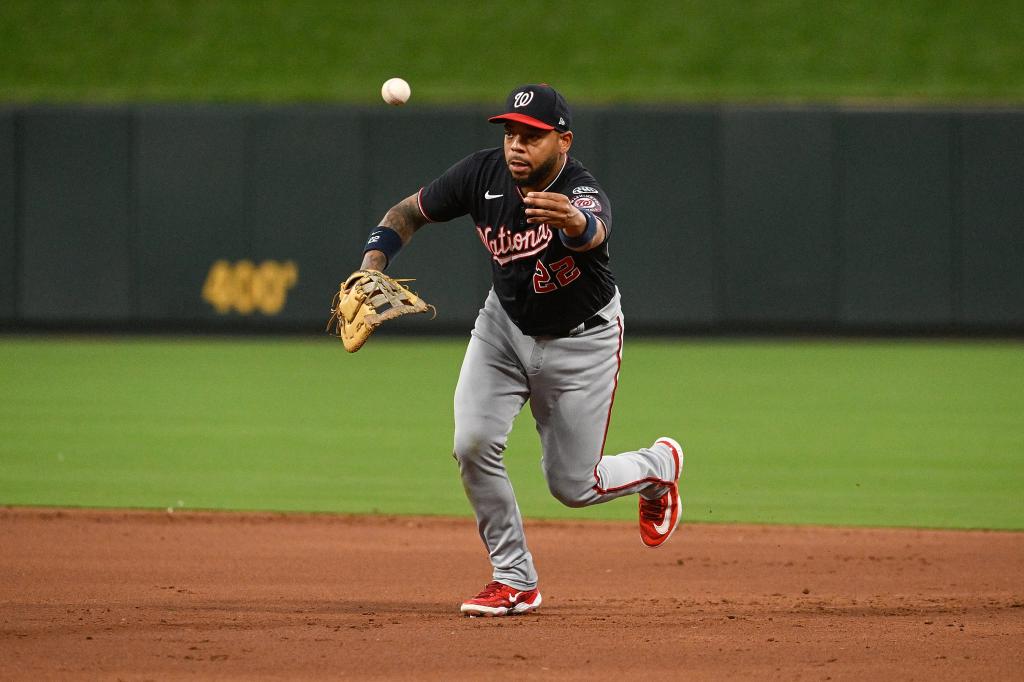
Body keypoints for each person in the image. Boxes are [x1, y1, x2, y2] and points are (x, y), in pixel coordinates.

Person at [357, 83, 684, 617]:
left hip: (584, 341)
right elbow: (407, 213)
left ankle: (658, 467)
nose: (516, 145)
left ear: (563, 141)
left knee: (574, 486)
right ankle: (514, 578)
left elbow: (593, 230)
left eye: (531, 136)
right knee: (472, 442)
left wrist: (574, 223)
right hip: (503, 329)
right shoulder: (478, 174)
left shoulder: (579, 190)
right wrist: (370, 267)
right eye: (510, 132)